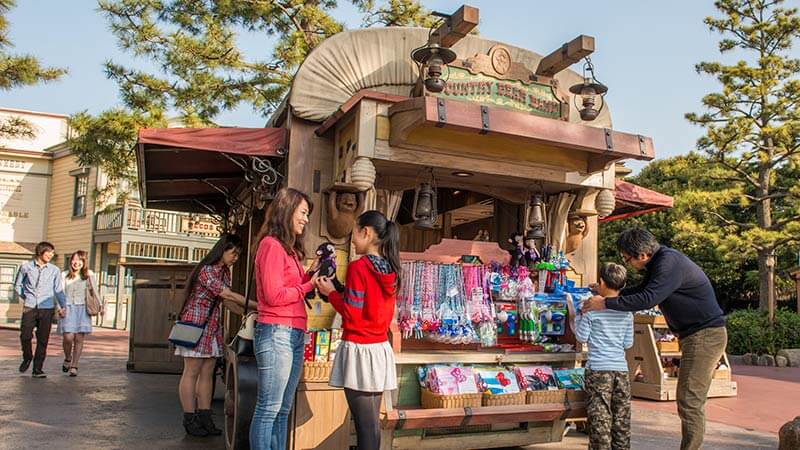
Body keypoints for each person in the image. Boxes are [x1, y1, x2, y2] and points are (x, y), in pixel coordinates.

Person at [582, 228, 727, 450]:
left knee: (690, 400)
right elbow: (641, 290)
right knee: (689, 399)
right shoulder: (660, 261)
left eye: (627, 259)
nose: (628, 263)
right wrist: (611, 293)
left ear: (642, 255)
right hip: (696, 335)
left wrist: (605, 303)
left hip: (705, 335)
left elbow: (648, 299)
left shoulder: (668, 263)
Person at [316, 210, 400, 450]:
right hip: (379, 350)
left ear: (366, 232)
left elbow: (352, 313)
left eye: (354, 232)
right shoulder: (390, 268)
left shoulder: (359, 267)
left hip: (359, 350)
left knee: (364, 428)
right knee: (371, 426)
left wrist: (330, 293)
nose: (351, 239)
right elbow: (367, 306)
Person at [250, 188, 320, 450]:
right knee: (269, 407)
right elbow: (274, 294)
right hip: (276, 331)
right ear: (287, 210)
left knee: (282, 409)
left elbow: (290, 287)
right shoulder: (270, 245)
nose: (305, 219)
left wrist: (309, 275)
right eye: (303, 212)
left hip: (293, 332)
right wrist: (307, 286)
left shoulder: (289, 250)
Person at [176, 233, 255, 437]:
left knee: (207, 371)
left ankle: (205, 417)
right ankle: (189, 418)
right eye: (233, 253)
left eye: (238, 254)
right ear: (222, 250)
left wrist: (249, 312)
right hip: (195, 325)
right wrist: (257, 305)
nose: (236, 257)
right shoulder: (206, 270)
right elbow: (227, 295)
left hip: (210, 327)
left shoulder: (224, 273)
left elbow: (226, 301)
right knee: (191, 371)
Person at [568, 262, 633, 450]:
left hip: (598, 369)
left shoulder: (591, 310)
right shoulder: (627, 312)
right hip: (621, 370)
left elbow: (581, 336)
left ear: (602, 283)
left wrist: (578, 315)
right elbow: (628, 344)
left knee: (600, 417)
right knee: (621, 416)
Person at [15, 241, 66, 378]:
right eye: (48, 252)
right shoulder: (26, 267)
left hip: (47, 308)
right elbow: (18, 285)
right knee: (25, 335)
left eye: (52, 252)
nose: (51, 254)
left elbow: (58, 290)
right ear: (40, 252)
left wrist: (63, 306)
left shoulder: (54, 270)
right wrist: (26, 296)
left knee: (43, 339)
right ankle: (27, 357)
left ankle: (37, 369)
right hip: (30, 306)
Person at [58, 250, 103, 377]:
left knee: (79, 338)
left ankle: (74, 365)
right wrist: (59, 307)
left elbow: (95, 290)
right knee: (68, 337)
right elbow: (59, 292)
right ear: (70, 261)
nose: (76, 262)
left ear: (84, 262)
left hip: (83, 308)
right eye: (74, 259)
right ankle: (68, 358)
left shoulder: (89, 274)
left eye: (79, 260)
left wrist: (101, 305)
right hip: (67, 307)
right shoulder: (64, 275)